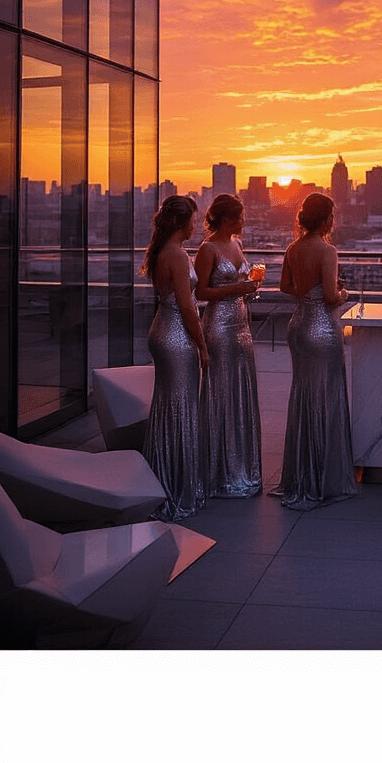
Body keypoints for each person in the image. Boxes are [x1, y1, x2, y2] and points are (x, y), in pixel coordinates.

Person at [273, 192, 358, 511]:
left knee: (304, 396)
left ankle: (299, 474)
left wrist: (307, 295)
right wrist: (343, 292)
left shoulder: (293, 248)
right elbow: (333, 297)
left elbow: (284, 286)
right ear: (326, 219)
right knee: (325, 397)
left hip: (297, 326)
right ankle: (322, 476)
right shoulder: (327, 250)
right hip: (321, 329)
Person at [141, 195, 208, 521]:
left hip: (162, 331)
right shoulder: (177, 255)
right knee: (181, 409)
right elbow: (187, 307)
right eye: (194, 220)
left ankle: (163, 480)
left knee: (169, 408)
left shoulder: (162, 251)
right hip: (176, 336)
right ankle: (175, 487)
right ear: (182, 223)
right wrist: (203, 346)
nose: (197, 225)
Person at [195, 194, 262, 498]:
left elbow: (240, 281)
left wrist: (248, 286)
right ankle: (219, 471)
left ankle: (241, 466)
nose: (243, 222)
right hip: (219, 325)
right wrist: (237, 287)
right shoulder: (207, 249)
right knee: (221, 390)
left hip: (241, 325)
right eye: (239, 218)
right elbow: (201, 292)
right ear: (225, 219)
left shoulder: (236, 244)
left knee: (241, 389)